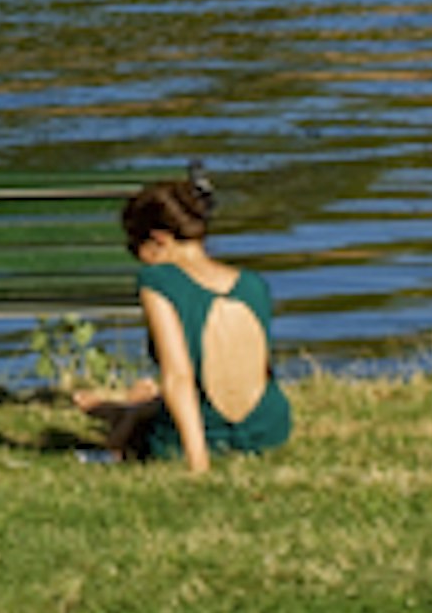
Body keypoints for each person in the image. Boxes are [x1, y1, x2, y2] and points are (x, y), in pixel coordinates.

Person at [74, 173, 290, 471]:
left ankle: (129, 411)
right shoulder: (253, 284)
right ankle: (131, 407)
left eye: (135, 247)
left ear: (159, 239)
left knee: (147, 410)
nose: (138, 258)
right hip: (268, 430)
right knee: (152, 400)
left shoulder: (159, 281)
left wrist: (197, 462)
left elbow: (178, 377)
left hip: (207, 435)